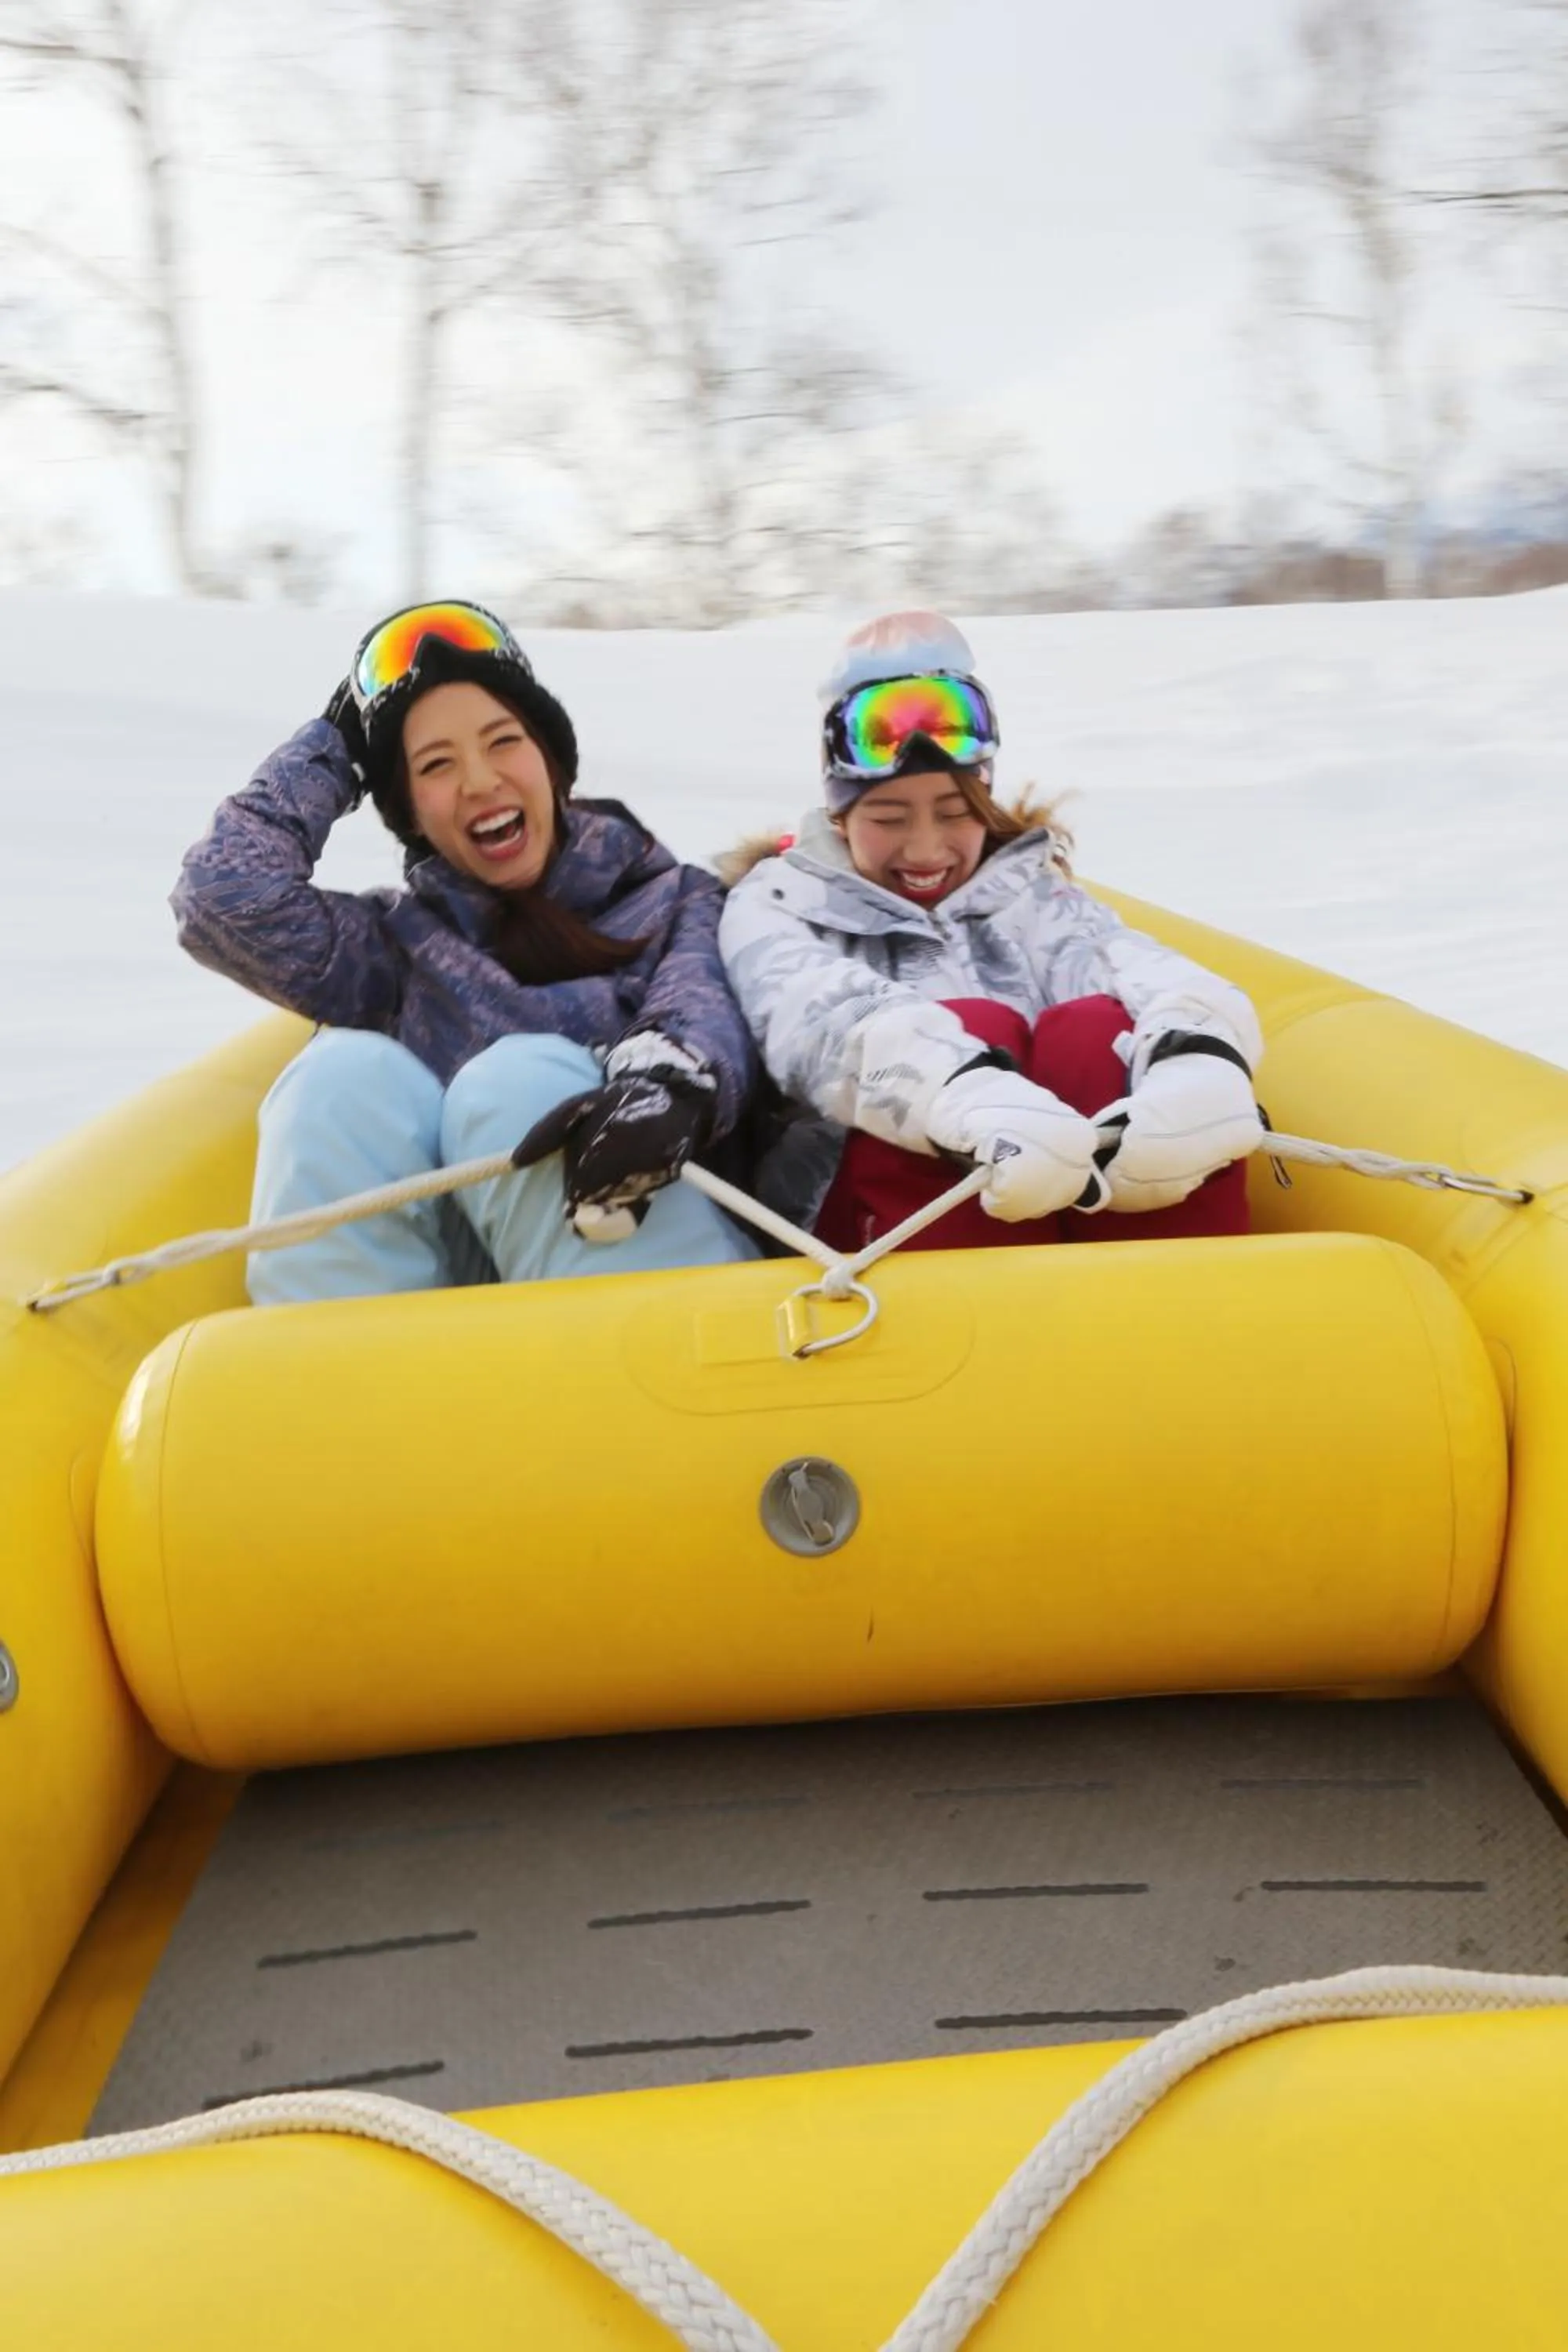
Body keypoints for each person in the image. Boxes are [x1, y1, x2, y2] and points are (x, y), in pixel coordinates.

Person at [173, 600, 758, 1301]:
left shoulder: (677, 900)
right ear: (411, 811)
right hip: (465, 1322)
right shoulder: (394, 951)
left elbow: (700, 1009)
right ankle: (341, 1387)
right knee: (339, 1079)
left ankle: (662, 1381)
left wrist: (667, 1088)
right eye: (437, 764)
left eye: (503, 741)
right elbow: (222, 895)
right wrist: (333, 748)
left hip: (648, 1269)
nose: (481, 782)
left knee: (515, 1084)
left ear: (549, 760)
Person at [717, 611, 1264, 1253]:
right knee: (978, 1024)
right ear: (839, 816)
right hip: (856, 1209)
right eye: (889, 817)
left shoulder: (1028, 897)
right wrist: (958, 1088)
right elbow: (816, 1014)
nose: (926, 850)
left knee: (1094, 1033)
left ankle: (1191, 1304)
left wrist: (1195, 1053)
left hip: (1064, 1194)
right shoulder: (777, 903)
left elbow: (1129, 964)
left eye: (955, 814)